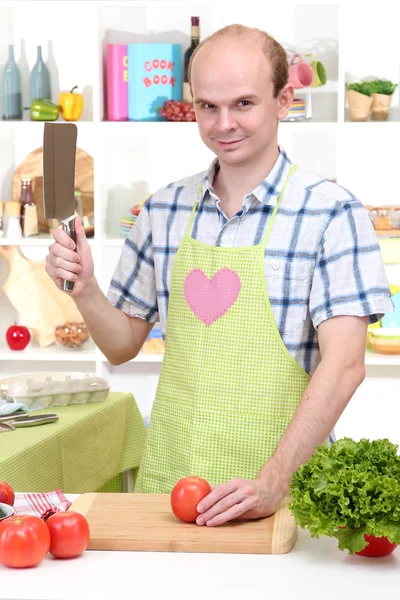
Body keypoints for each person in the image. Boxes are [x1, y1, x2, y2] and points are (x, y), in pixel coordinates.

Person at [45, 24, 393, 527]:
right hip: (172, 489)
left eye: (244, 104)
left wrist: (275, 481)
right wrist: (87, 290)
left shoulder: (332, 213)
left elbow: (344, 366)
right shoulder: (163, 210)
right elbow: (120, 346)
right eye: (208, 106)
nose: (223, 123)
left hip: (284, 498)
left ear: (284, 99)